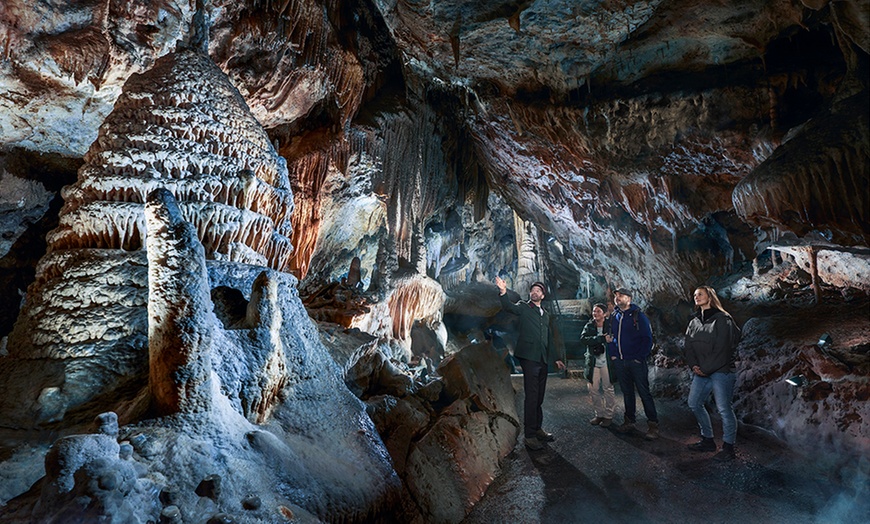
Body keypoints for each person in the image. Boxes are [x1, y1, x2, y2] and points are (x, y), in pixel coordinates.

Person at [495, 276, 566, 450]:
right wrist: (503, 291)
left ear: (542, 295)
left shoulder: (546, 315)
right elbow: (509, 307)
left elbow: (548, 338)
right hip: (529, 358)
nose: (534, 292)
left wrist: (556, 358)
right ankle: (529, 435)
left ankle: (538, 428)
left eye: (538, 291)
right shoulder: (524, 307)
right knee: (532, 396)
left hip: (542, 359)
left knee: (539, 396)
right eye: (532, 290)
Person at [684, 285, 742, 461]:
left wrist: (705, 369)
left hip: (721, 370)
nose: (696, 297)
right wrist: (694, 365)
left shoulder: (723, 319)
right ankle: (708, 440)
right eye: (694, 295)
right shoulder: (694, 321)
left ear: (710, 296)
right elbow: (688, 346)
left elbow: (722, 348)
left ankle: (728, 448)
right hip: (701, 371)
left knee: (724, 408)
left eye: (700, 294)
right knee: (694, 403)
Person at [606, 288, 659, 440]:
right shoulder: (615, 316)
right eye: (616, 296)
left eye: (621, 296)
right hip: (621, 362)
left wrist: (639, 357)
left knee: (644, 393)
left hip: (636, 362)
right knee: (627, 393)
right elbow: (611, 336)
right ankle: (629, 421)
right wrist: (614, 355)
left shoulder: (639, 316)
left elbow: (647, 339)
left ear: (629, 299)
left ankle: (653, 425)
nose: (617, 298)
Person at [581, 303, 616, 427]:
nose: (595, 314)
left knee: (608, 389)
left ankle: (608, 416)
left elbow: (616, 339)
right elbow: (583, 339)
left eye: (599, 311)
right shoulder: (589, 325)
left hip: (607, 362)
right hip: (593, 362)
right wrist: (600, 338)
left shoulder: (611, 325)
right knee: (593, 389)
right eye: (594, 311)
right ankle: (599, 414)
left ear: (605, 314)